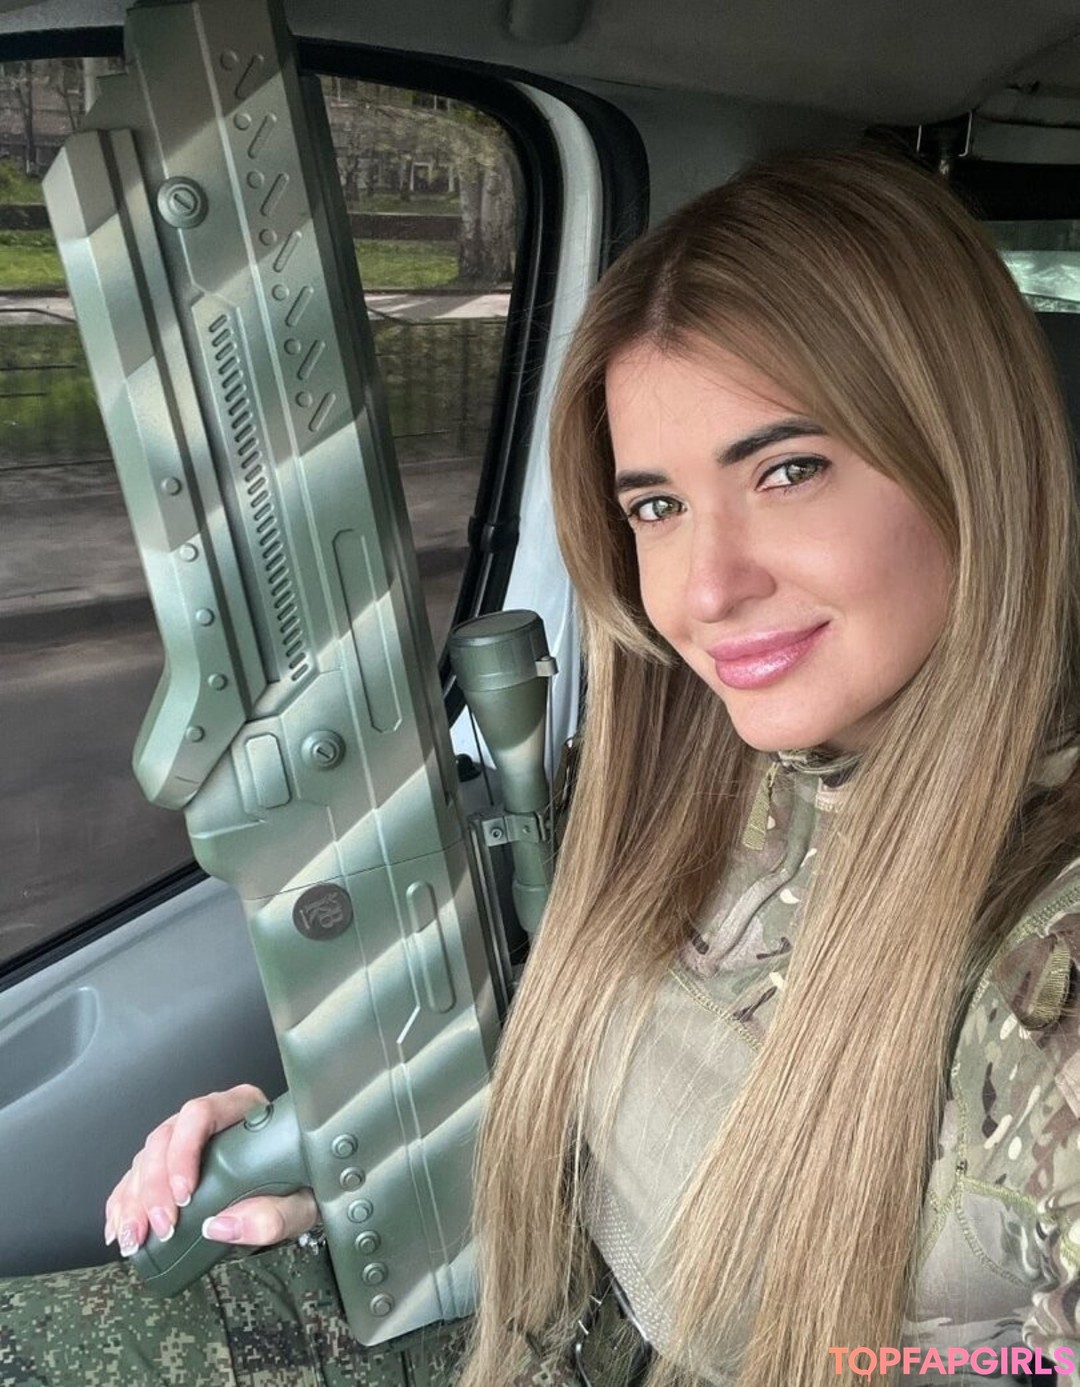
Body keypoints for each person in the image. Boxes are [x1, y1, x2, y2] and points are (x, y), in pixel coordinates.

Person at [4, 146, 1080, 1387]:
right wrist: (384, 1170)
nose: (706, 589)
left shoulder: (1046, 956)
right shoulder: (684, 770)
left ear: (970, 461)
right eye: (657, 507)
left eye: (788, 470)